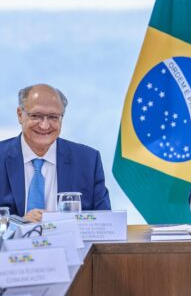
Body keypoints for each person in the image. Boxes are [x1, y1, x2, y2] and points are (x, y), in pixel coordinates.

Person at [0, 84, 111, 222]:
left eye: (53, 117)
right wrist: (18, 223)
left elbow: (106, 222)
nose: (44, 125)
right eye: (36, 116)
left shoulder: (88, 161)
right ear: (20, 115)